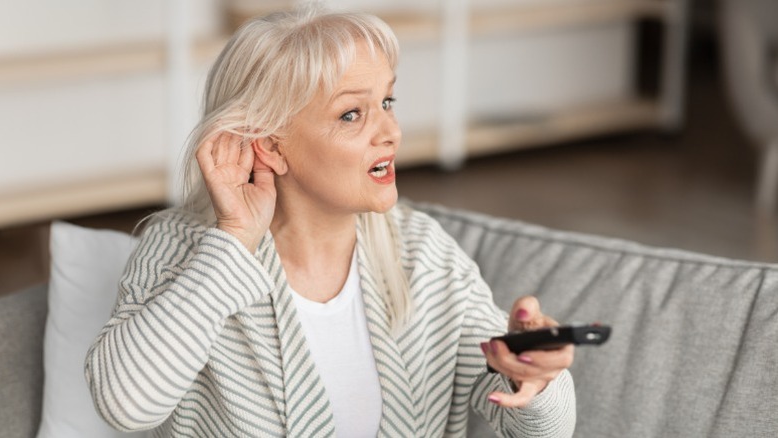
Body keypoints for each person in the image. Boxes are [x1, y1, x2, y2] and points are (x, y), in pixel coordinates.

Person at [85, 5, 576, 437]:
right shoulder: (182, 247)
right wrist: (234, 240)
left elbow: (539, 430)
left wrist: (531, 375)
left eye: (387, 102)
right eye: (351, 115)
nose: (391, 132)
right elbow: (125, 406)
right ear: (271, 145)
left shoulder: (420, 251)